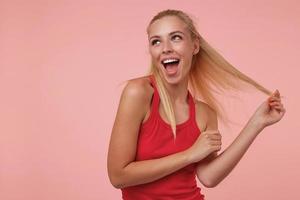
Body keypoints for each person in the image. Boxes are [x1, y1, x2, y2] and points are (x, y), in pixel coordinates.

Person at [107, 9, 286, 200]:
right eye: (156, 41)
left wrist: (257, 123)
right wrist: (189, 155)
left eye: (175, 37)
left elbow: (209, 177)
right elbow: (118, 176)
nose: (165, 48)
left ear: (195, 46)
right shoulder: (139, 93)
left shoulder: (204, 113)